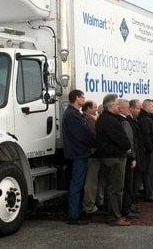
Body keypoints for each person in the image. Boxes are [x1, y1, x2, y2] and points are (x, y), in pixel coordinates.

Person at [96, 94, 132, 226]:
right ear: (111, 106)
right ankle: (115, 216)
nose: (119, 106)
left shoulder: (105, 118)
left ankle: (109, 213)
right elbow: (120, 139)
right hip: (114, 157)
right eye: (117, 104)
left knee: (110, 187)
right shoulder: (109, 120)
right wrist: (127, 146)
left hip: (110, 157)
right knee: (116, 188)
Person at [62, 90, 96, 225]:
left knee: (77, 184)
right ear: (77, 98)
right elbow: (83, 134)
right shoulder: (72, 114)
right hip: (78, 153)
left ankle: (76, 212)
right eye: (82, 97)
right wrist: (94, 143)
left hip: (78, 153)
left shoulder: (73, 114)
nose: (84, 99)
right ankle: (73, 215)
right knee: (76, 184)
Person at [82, 100, 104, 214]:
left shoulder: (89, 119)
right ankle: (89, 206)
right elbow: (95, 136)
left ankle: (94, 203)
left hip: (93, 154)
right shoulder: (89, 120)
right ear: (88, 108)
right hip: (93, 154)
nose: (96, 109)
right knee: (92, 182)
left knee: (95, 181)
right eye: (95, 107)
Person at [117, 99, 137, 218]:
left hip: (127, 155)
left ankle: (128, 206)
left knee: (128, 183)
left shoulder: (124, 120)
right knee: (127, 183)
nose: (129, 108)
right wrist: (133, 156)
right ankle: (126, 208)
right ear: (120, 108)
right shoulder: (123, 121)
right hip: (127, 156)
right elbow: (129, 141)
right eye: (127, 107)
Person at [138, 99, 153, 202]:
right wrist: (152, 148)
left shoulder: (147, 118)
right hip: (149, 151)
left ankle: (150, 193)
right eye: (152, 106)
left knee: (151, 173)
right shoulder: (145, 119)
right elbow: (147, 136)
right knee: (149, 173)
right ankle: (149, 194)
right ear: (146, 106)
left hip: (150, 150)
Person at [128, 99, 144, 204]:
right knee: (132, 180)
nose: (139, 110)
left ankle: (133, 200)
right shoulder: (129, 121)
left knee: (136, 179)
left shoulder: (135, 120)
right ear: (131, 108)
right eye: (138, 108)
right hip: (133, 155)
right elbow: (131, 140)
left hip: (138, 153)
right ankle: (131, 202)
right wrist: (133, 156)